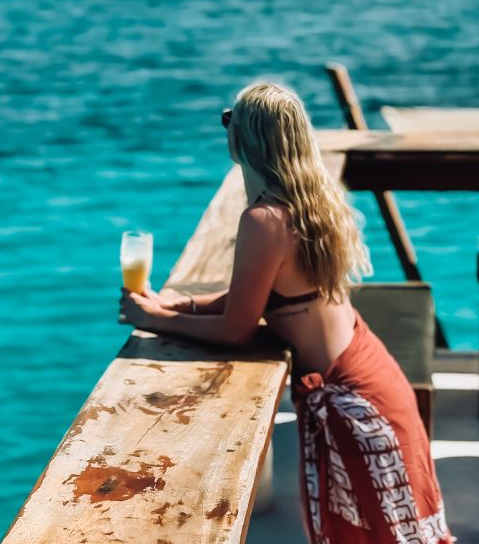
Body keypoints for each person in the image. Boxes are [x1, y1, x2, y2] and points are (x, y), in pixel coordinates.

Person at [118, 83, 452, 544]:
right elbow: (263, 296)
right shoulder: (314, 200)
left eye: (229, 119)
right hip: (370, 371)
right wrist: (180, 304)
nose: (226, 126)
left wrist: (153, 321)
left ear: (246, 139)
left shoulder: (263, 220)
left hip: (350, 397)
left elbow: (237, 329)